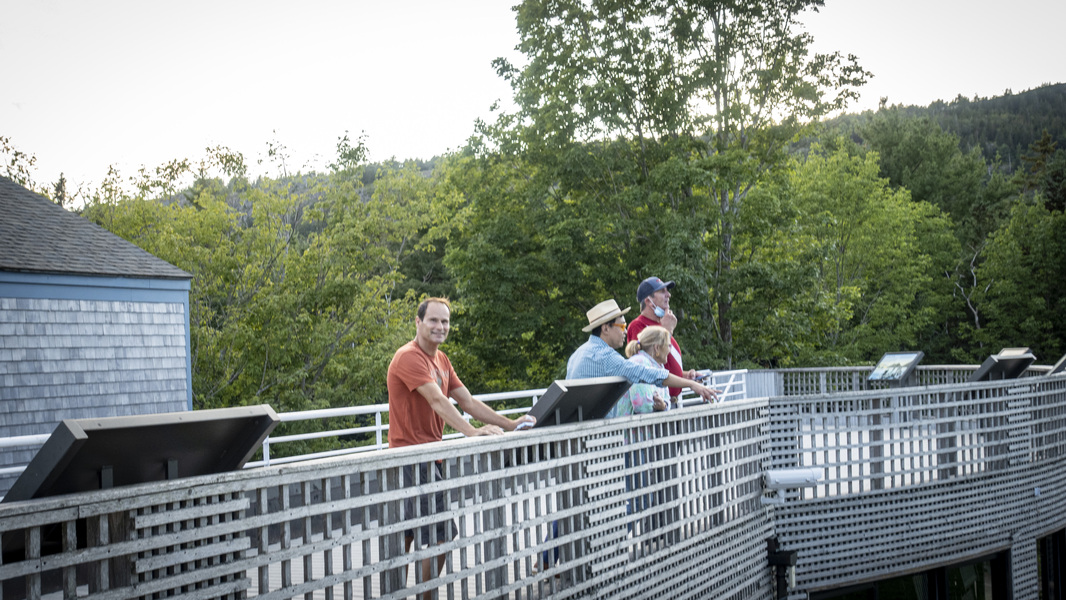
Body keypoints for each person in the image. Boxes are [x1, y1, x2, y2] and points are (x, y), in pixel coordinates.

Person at [386, 297, 535, 598]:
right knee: (437, 536)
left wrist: (510, 424)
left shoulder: (441, 360)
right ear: (418, 322)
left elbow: (467, 401)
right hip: (412, 459)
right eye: (433, 320)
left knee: (408, 535)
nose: (440, 327)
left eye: (445, 321)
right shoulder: (409, 357)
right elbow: (438, 400)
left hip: (429, 459)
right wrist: (470, 432)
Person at [567, 299, 719, 402]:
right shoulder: (605, 356)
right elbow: (645, 373)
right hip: (598, 434)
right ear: (605, 328)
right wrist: (691, 384)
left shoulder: (578, 354)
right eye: (622, 326)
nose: (625, 331)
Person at [627, 276, 703, 405]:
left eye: (667, 291)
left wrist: (686, 376)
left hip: (671, 402)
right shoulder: (638, 326)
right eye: (662, 291)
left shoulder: (661, 324)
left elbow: (663, 367)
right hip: (657, 404)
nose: (669, 295)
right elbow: (647, 369)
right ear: (648, 301)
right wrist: (667, 330)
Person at [606, 325, 672, 418]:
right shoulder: (639, 362)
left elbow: (667, 400)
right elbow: (642, 406)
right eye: (668, 345)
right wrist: (659, 406)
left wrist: (663, 406)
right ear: (657, 348)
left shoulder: (658, 366)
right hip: (631, 426)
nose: (670, 350)